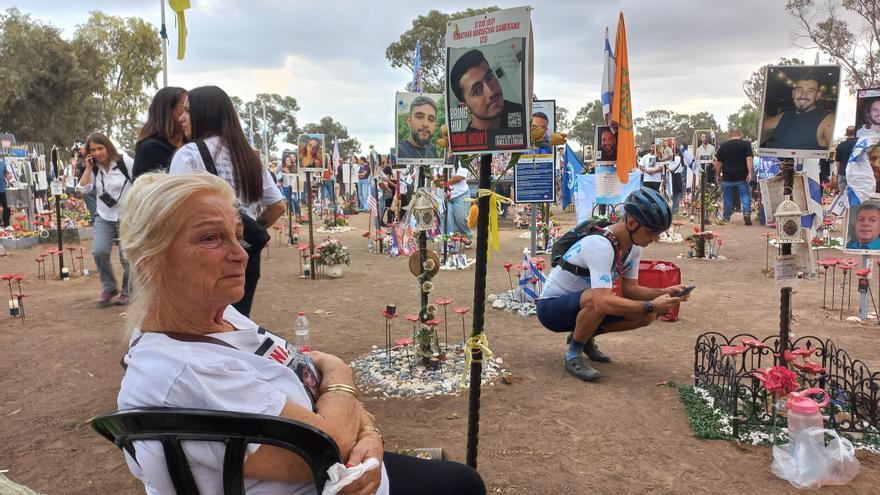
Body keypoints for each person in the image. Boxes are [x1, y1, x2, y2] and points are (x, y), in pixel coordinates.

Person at [116, 172, 486, 495]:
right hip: (331, 480)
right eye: (211, 238)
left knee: (460, 480)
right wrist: (341, 372)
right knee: (463, 484)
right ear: (151, 263)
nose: (241, 254)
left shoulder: (220, 319)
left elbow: (309, 379)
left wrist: (370, 435)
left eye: (237, 235)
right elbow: (326, 444)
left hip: (353, 472)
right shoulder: (186, 373)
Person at [536, 188, 687, 382]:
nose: (655, 238)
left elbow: (630, 289)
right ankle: (573, 353)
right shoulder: (600, 245)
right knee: (600, 300)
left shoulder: (633, 247)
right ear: (632, 223)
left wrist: (664, 292)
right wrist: (651, 304)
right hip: (551, 310)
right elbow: (601, 303)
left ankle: (584, 337)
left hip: (580, 305)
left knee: (647, 315)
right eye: (652, 232)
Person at [169, 85, 285, 317]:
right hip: (245, 254)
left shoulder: (188, 155)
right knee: (237, 322)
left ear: (205, 113)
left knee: (205, 324)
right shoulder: (249, 156)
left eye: (188, 111)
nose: (181, 118)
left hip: (205, 254)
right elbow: (278, 206)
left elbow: (176, 210)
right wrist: (248, 232)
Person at [77, 132, 133, 307]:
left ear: (108, 146)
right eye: (93, 150)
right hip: (104, 216)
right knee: (99, 251)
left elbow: (140, 180)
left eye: (100, 148)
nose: (98, 152)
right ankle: (109, 288)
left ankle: (128, 291)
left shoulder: (126, 162)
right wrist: (87, 168)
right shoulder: (94, 167)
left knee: (127, 257)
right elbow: (84, 189)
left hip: (127, 216)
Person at [450, 49, 523, 131]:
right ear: (465, 107)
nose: (491, 92)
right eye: (477, 90)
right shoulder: (469, 142)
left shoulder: (515, 110)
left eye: (490, 78)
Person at [762, 76, 835, 150]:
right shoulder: (784, 115)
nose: (803, 95)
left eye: (810, 91)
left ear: (818, 95)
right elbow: (758, 129)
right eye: (799, 90)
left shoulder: (828, 119)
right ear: (793, 93)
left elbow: (833, 153)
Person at [132, 87, 190, 179]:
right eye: (185, 108)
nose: (192, 112)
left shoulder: (192, 144)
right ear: (167, 110)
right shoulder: (150, 149)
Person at [714, 128, 754, 225]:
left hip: (727, 177)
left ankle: (726, 217)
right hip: (742, 177)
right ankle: (747, 213)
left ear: (730, 135)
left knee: (727, 197)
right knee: (745, 195)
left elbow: (718, 163)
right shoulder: (746, 144)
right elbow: (749, 159)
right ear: (740, 134)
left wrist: (718, 175)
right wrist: (750, 173)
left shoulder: (723, 146)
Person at [445, 162, 472, 244]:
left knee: (461, 219)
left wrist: (444, 183)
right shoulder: (440, 159)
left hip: (461, 195)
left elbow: (459, 177)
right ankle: (450, 244)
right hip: (446, 196)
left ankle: (467, 235)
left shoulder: (461, 161)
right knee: (448, 221)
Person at [835, 126, 858, 192]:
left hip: (842, 173)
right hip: (855, 174)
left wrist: (838, 173)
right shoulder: (859, 145)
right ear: (856, 133)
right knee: (854, 197)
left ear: (847, 134)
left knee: (843, 197)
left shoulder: (841, 145)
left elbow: (838, 162)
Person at [667, 149, 684, 214]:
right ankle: (675, 208)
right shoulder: (681, 158)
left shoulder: (676, 158)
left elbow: (671, 168)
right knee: (677, 193)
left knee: (673, 193)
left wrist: (667, 166)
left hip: (673, 177)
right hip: (678, 176)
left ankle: (674, 209)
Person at [0, 158, 11, 227]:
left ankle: (6, 225)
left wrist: (8, 176)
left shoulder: (2, 163)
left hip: (3, 190)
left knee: (7, 207)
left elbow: (6, 174)